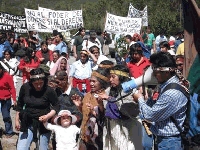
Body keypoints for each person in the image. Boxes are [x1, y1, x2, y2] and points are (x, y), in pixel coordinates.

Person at [133, 52, 188, 150]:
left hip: (169, 142)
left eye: (155, 71)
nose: (153, 75)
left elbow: (151, 115)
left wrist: (140, 99)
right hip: (166, 141)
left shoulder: (171, 93)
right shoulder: (167, 86)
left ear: (166, 72)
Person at [98, 65, 142, 150]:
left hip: (127, 128)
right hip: (111, 127)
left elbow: (127, 109)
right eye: (110, 77)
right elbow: (104, 111)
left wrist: (109, 98)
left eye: (113, 77)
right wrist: (100, 103)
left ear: (121, 77)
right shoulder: (109, 90)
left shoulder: (130, 91)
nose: (110, 80)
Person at [15, 68, 59, 150]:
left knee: (42, 148)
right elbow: (20, 104)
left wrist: (47, 116)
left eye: (41, 83)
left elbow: (56, 106)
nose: (39, 86)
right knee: (21, 148)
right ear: (31, 82)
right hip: (27, 121)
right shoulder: (25, 88)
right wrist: (17, 120)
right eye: (36, 84)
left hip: (43, 124)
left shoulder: (49, 90)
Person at [73, 68, 110, 150]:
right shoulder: (88, 95)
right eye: (90, 81)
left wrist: (95, 112)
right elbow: (85, 113)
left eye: (94, 81)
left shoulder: (105, 96)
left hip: (98, 137)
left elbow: (105, 118)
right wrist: (79, 106)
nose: (91, 84)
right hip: (85, 135)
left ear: (101, 82)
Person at [0, 63, 16, 138]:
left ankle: (9, 131)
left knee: (6, 115)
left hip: (6, 99)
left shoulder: (7, 76)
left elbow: (12, 88)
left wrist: (14, 99)